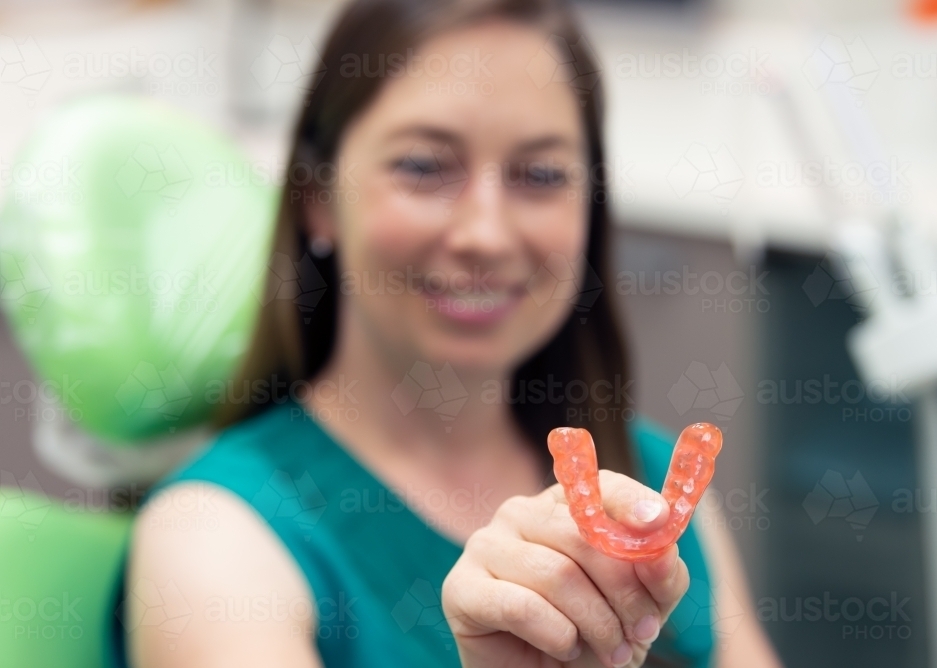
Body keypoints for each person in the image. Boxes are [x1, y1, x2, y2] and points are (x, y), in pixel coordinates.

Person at [107, 0, 783, 666]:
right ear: (318, 198)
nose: (484, 234)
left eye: (541, 175)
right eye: (424, 167)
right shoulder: (214, 546)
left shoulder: (651, 483)